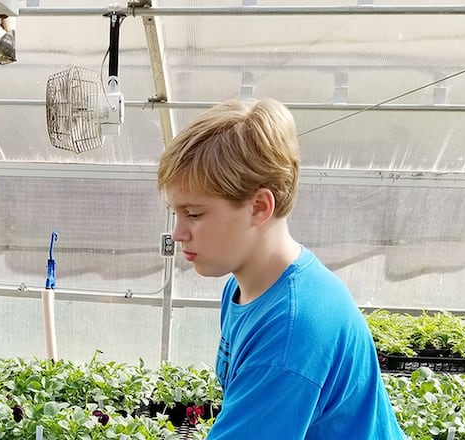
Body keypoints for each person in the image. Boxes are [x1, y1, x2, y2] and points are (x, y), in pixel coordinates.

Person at [157, 98, 406, 439]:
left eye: (194, 214)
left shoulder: (291, 331)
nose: (177, 233)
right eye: (175, 213)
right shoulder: (244, 288)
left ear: (259, 207)